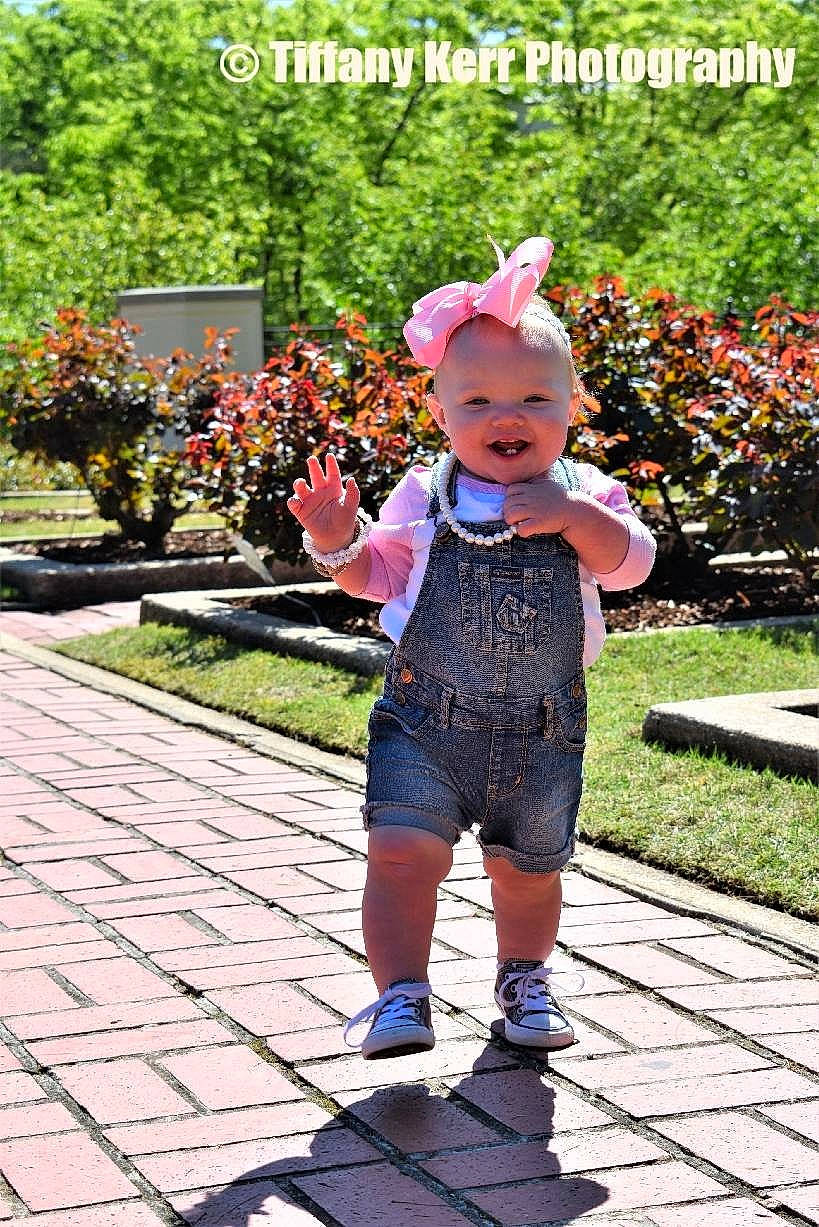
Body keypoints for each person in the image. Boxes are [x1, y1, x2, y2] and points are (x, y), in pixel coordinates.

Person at [286, 235, 657, 1060]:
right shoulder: (427, 491)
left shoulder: (586, 492)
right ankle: (400, 995)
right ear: (440, 414)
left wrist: (576, 518)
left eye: (534, 397)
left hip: (540, 726)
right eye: (478, 400)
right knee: (399, 849)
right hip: (426, 718)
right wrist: (340, 541)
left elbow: (631, 564)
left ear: (572, 406)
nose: (506, 416)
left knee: (526, 869)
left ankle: (524, 977)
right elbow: (381, 576)